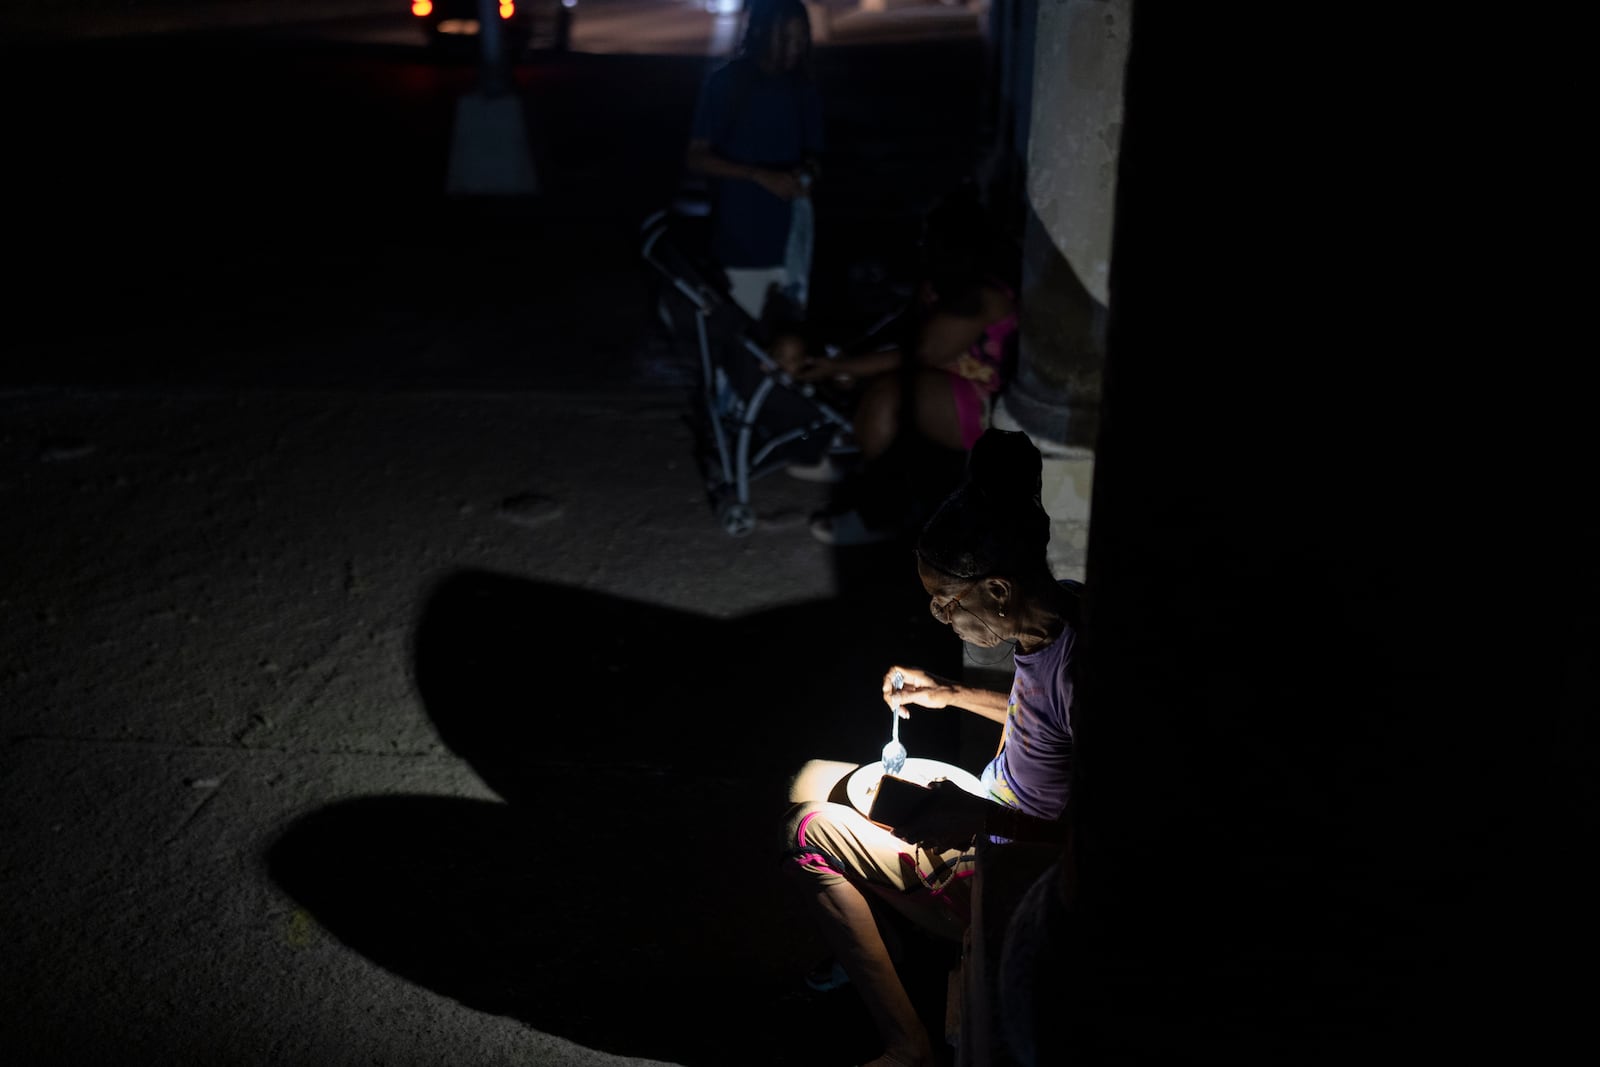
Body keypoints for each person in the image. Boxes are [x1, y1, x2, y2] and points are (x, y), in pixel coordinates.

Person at [779, 428, 1079, 1067]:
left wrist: (976, 819)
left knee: (810, 833)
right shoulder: (1057, 621)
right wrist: (950, 692)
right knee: (808, 777)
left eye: (948, 603)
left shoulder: (1078, 673)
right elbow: (1037, 721)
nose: (944, 619)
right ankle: (874, 942)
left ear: (997, 591)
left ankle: (905, 1043)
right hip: (992, 801)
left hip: (1009, 855)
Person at [776, 188, 1020, 546]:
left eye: (931, 239)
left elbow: (921, 353)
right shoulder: (940, 283)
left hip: (988, 406)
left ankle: (881, 515)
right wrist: (846, 361)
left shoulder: (983, 296)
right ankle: (862, 468)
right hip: (949, 385)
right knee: (859, 374)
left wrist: (845, 366)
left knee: (887, 394)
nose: (923, 246)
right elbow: (903, 331)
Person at [684, 0, 824, 327]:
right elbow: (696, 157)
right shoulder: (727, 84)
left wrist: (806, 175)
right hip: (739, 243)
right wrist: (758, 175)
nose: (794, 48)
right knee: (743, 343)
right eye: (785, 38)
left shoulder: (804, 89)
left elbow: (815, 155)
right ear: (760, 33)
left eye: (801, 39)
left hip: (792, 247)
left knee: (786, 343)